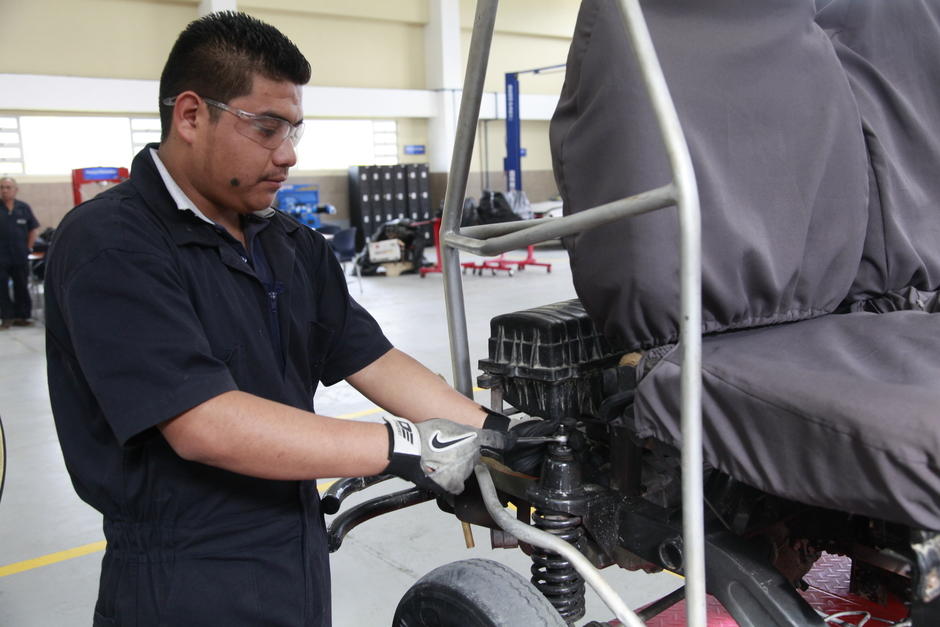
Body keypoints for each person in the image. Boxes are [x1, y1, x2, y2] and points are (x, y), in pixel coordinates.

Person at [44, 12, 548, 627]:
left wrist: (497, 437)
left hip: (295, 552)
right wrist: (404, 445)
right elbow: (204, 423)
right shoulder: (113, 245)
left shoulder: (291, 245)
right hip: (181, 576)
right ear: (191, 115)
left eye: (296, 130)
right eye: (267, 127)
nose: (288, 154)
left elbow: (373, 359)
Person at [0, 176, 39, 328]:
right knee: (2, 288)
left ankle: (22, 317)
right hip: (1, 257)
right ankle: (6, 318)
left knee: (21, 286)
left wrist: (28, 248)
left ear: (15, 190)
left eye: (8, 187)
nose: (4, 190)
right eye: (2, 187)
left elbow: (33, 229)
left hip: (19, 255)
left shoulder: (24, 208)